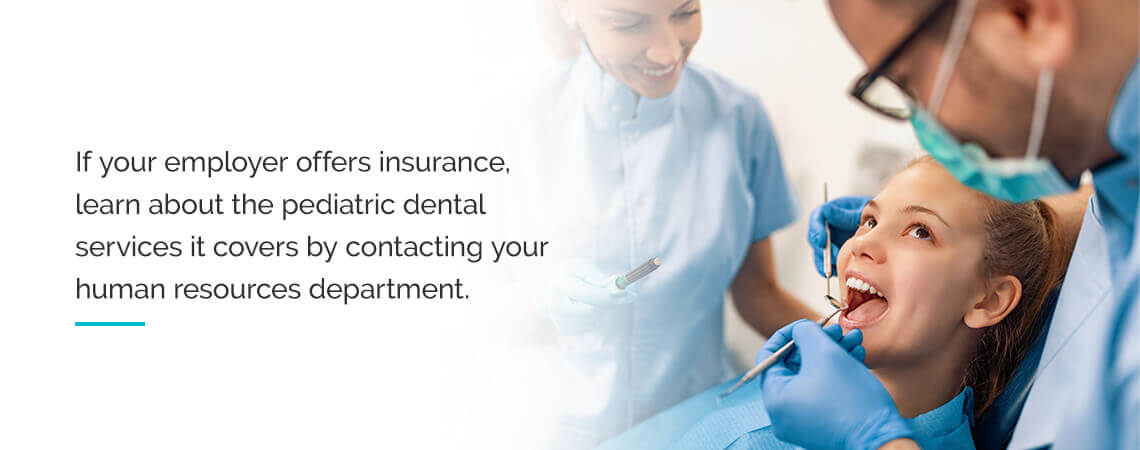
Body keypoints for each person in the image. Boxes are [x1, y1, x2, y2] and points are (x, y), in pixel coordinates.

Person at [762, 0, 1139, 448]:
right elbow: (1104, 203)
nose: (928, 126)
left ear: (1028, 15)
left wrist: (873, 440)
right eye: (868, 221)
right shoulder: (1121, 176)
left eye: (908, 81)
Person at [598, 156, 1071, 449]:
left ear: (989, 299)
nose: (860, 245)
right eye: (869, 220)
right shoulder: (809, 376)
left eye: (921, 231)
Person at [508, 0, 815, 446]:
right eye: (628, 23)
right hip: (550, 427)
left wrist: (857, 349)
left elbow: (759, 294)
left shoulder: (739, 117)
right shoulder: (511, 122)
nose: (667, 52)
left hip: (697, 422)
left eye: (685, 13)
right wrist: (539, 295)